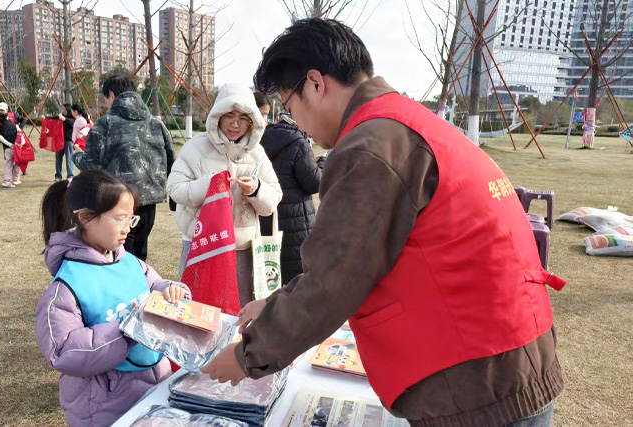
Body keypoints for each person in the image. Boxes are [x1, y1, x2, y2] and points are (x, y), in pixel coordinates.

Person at [201, 19, 565, 427]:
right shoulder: (405, 120)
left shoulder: (370, 147)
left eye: (291, 107)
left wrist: (244, 357)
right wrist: (275, 302)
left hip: (475, 378)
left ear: (316, 84)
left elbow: (333, 283)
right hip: (506, 354)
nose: (298, 125)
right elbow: (364, 260)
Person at [35, 169, 190, 427]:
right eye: (119, 220)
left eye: (131, 220)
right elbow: (63, 351)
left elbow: (154, 285)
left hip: (155, 384)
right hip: (103, 405)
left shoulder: (129, 262)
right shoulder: (65, 288)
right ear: (85, 217)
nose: (127, 229)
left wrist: (171, 291)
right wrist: (128, 330)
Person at [167, 83, 283, 307]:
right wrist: (209, 186)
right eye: (229, 115)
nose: (235, 124)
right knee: (196, 310)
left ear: (253, 121)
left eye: (243, 117)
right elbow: (174, 189)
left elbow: (274, 197)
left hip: (242, 250)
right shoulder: (196, 147)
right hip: (201, 247)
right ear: (217, 115)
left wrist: (256, 189)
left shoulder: (257, 153)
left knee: (237, 313)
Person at [73, 75, 175, 262]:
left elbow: (92, 166)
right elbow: (171, 162)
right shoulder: (156, 124)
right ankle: (141, 287)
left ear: (112, 95)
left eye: (105, 100)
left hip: (118, 201)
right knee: (140, 250)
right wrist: (174, 199)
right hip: (149, 202)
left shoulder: (105, 124)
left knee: (120, 254)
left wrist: (76, 155)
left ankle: (127, 289)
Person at [257, 106, 323, 285]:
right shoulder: (299, 143)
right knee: (296, 281)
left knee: (272, 276)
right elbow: (314, 183)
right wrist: (322, 165)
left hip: (268, 217)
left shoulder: (261, 140)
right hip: (297, 222)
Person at [0, 102, 25, 188]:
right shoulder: (13, 124)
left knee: (9, 163)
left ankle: (8, 180)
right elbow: (20, 132)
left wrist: (11, 144)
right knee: (16, 162)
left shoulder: (0, 124)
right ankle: (14, 179)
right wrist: (20, 143)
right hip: (15, 146)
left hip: (9, 146)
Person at [45, 103, 76, 182]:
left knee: (69, 158)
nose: (63, 111)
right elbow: (54, 118)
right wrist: (45, 118)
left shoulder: (72, 117)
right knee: (58, 159)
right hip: (59, 141)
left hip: (68, 141)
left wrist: (65, 119)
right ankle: (58, 175)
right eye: (62, 109)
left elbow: (73, 123)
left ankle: (70, 175)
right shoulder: (61, 116)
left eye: (64, 109)